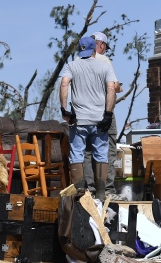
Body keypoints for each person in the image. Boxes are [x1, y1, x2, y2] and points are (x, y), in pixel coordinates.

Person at [60, 36, 116, 200]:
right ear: (94, 49)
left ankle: (80, 194)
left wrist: (64, 110)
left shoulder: (72, 66)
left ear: (80, 49)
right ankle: (100, 193)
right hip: (99, 119)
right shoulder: (104, 66)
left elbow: (64, 83)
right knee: (101, 154)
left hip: (79, 119)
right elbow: (111, 88)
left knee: (77, 154)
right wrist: (108, 113)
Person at [90, 31, 123, 200]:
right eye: (104, 47)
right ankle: (108, 191)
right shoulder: (103, 60)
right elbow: (114, 86)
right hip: (103, 110)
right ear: (101, 44)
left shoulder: (78, 61)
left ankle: (89, 190)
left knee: (88, 149)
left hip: (84, 112)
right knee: (108, 148)